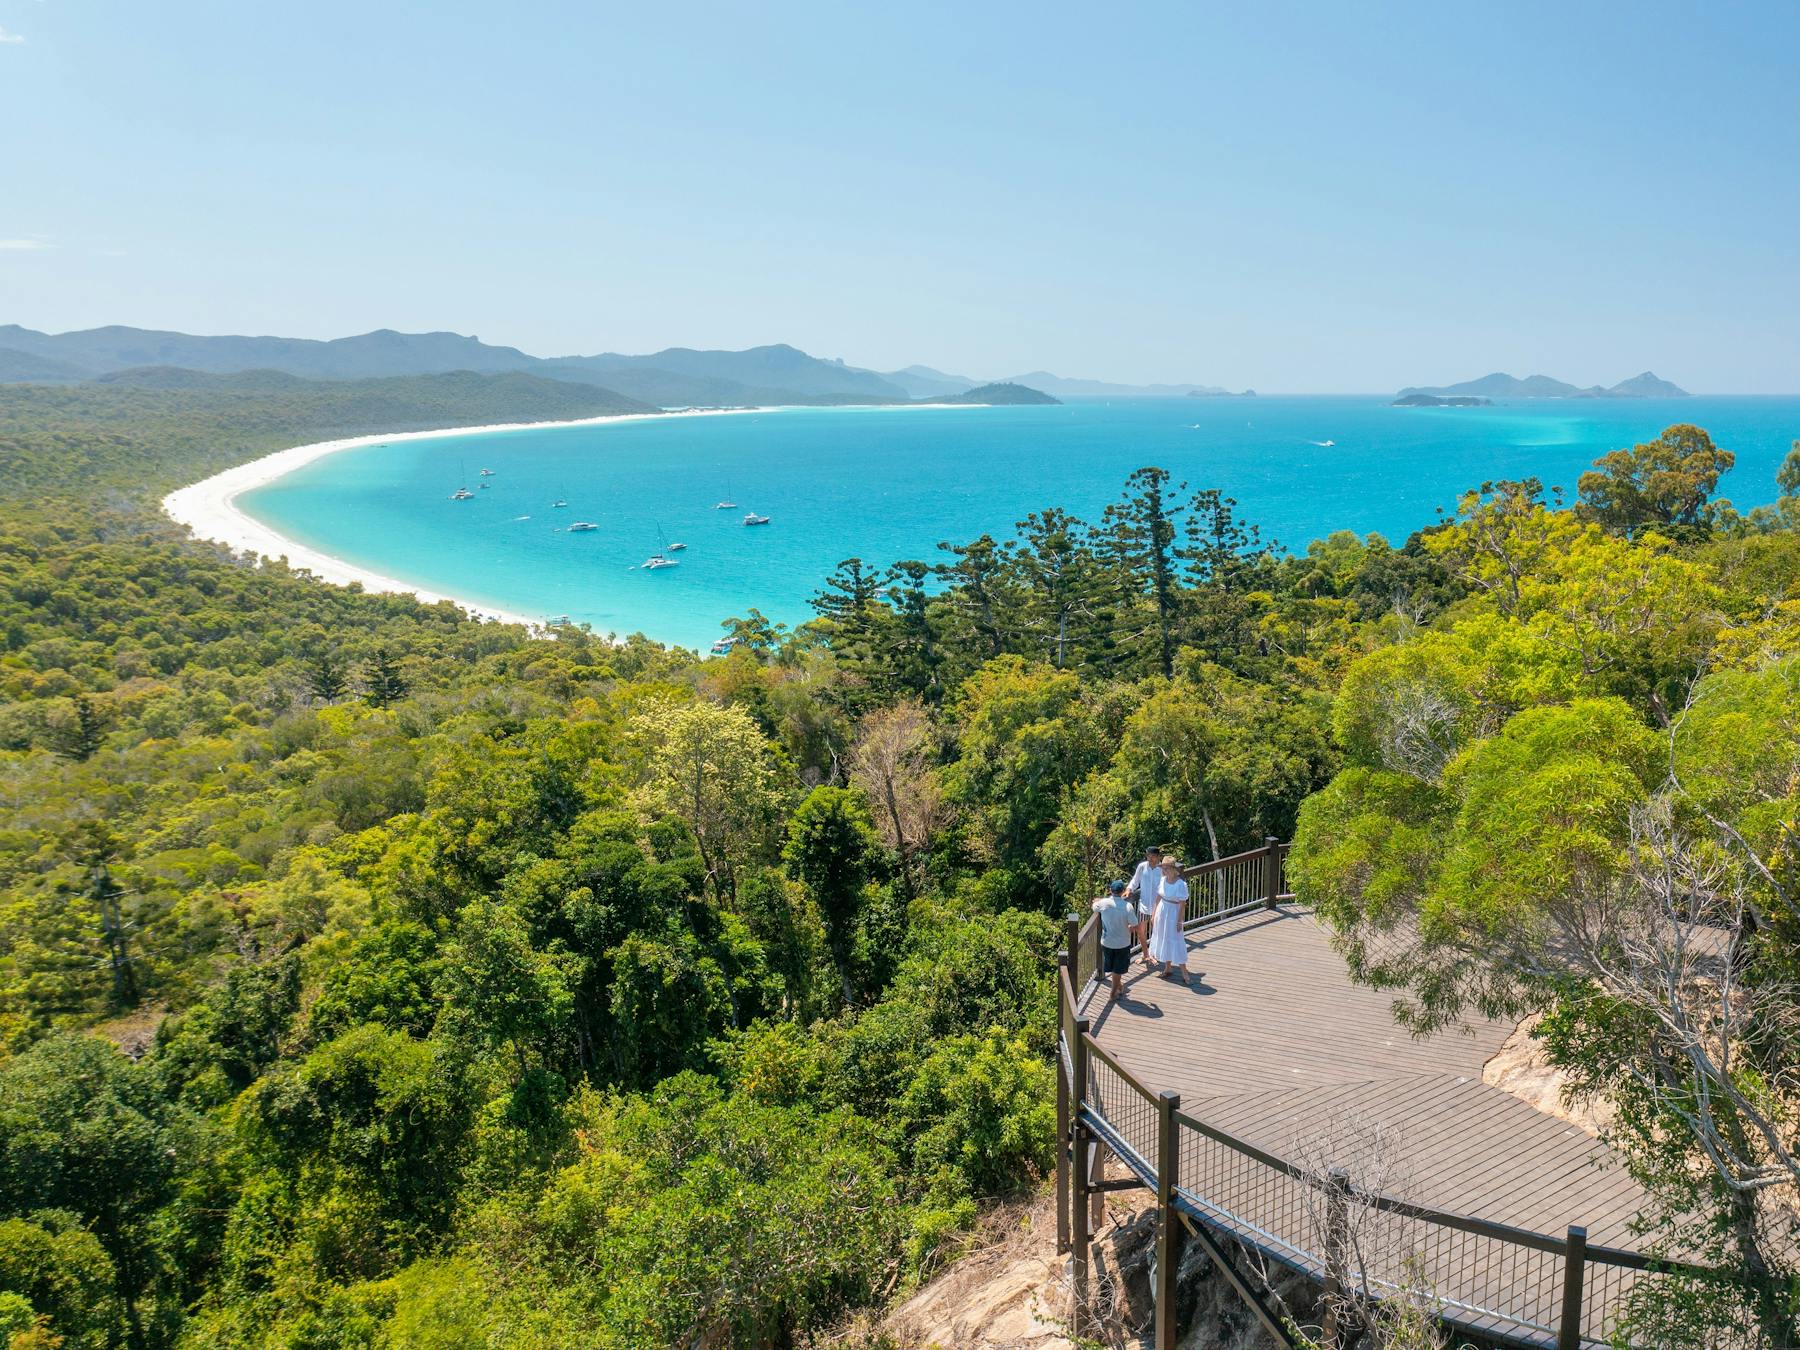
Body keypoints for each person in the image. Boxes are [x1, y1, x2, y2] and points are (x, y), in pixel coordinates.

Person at [1090, 880, 1136, 1002]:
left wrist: (1097, 901)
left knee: (1114, 968)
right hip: (1123, 943)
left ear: (1110, 890)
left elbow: (1094, 907)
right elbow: (1134, 924)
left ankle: (1119, 987)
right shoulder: (1128, 907)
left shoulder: (1104, 903)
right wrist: (1130, 927)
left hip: (1107, 942)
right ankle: (1112, 993)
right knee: (1118, 969)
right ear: (1122, 892)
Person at [1146, 857, 1190, 983]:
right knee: (1164, 937)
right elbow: (1158, 897)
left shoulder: (1181, 884)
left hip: (1173, 912)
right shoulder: (1162, 880)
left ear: (1173, 869)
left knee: (1176, 939)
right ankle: (1167, 967)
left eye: (1166, 868)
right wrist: (1153, 914)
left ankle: (1184, 972)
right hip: (1162, 911)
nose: (1164, 870)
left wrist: (1179, 920)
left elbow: (1182, 904)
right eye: (1163, 868)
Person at [1125, 845, 1163, 968]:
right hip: (1144, 904)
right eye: (1148, 856)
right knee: (1141, 931)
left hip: (1158, 906)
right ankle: (1145, 954)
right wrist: (1129, 889)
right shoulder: (1142, 867)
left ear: (1158, 857)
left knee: (1156, 932)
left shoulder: (1162, 869)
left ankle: (1154, 955)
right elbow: (1135, 881)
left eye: (1152, 856)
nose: (1150, 858)